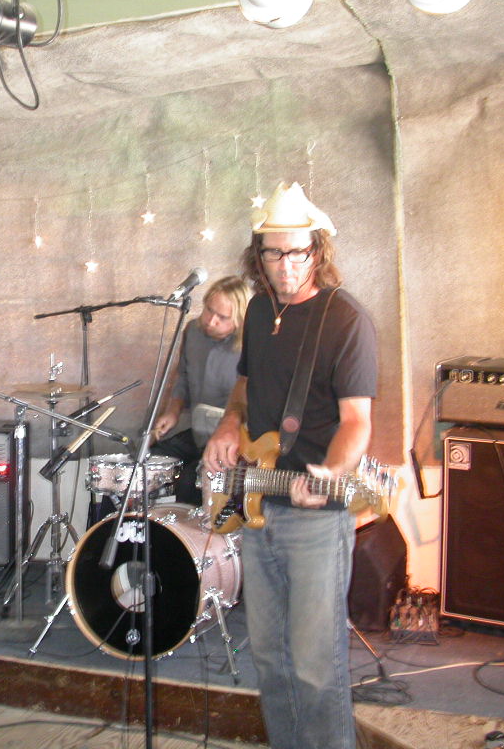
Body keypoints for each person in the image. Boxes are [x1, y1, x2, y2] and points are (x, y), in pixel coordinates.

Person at [201, 182, 377, 749]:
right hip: (257, 504)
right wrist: (229, 425)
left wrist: (333, 473)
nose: (286, 265)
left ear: (317, 250)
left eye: (297, 252)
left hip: (315, 516)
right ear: (257, 255)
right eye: (274, 252)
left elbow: (357, 420)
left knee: (316, 666)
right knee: (270, 661)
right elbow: (245, 386)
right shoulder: (257, 311)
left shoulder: (345, 319)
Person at [150, 275, 249, 505]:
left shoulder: (250, 346)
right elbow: (183, 376)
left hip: (233, 440)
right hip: (198, 432)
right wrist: (172, 411)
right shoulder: (192, 331)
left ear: (239, 320)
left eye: (222, 317)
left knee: (189, 481)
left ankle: (196, 528)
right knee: (148, 462)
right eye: (209, 310)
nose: (211, 321)